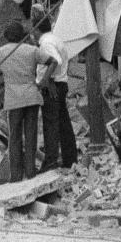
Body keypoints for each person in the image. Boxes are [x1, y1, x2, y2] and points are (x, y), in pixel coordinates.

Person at [0, 21, 55, 182]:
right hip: (31, 96)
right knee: (30, 136)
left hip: (14, 100)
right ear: (22, 34)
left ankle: (16, 175)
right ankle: (30, 172)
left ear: (6, 36)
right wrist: (44, 80)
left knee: (14, 137)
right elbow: (53, 61)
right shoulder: (33, 50)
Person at [37, 24, 78, 170]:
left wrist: (46, 80)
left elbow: (55, 61)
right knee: (63, 123)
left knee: (51, 125)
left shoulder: (46, 43)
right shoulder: (56, 39)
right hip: (60, 84)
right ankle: (70, 159)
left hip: (52, 86)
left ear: (36, 30)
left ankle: (51, 162)